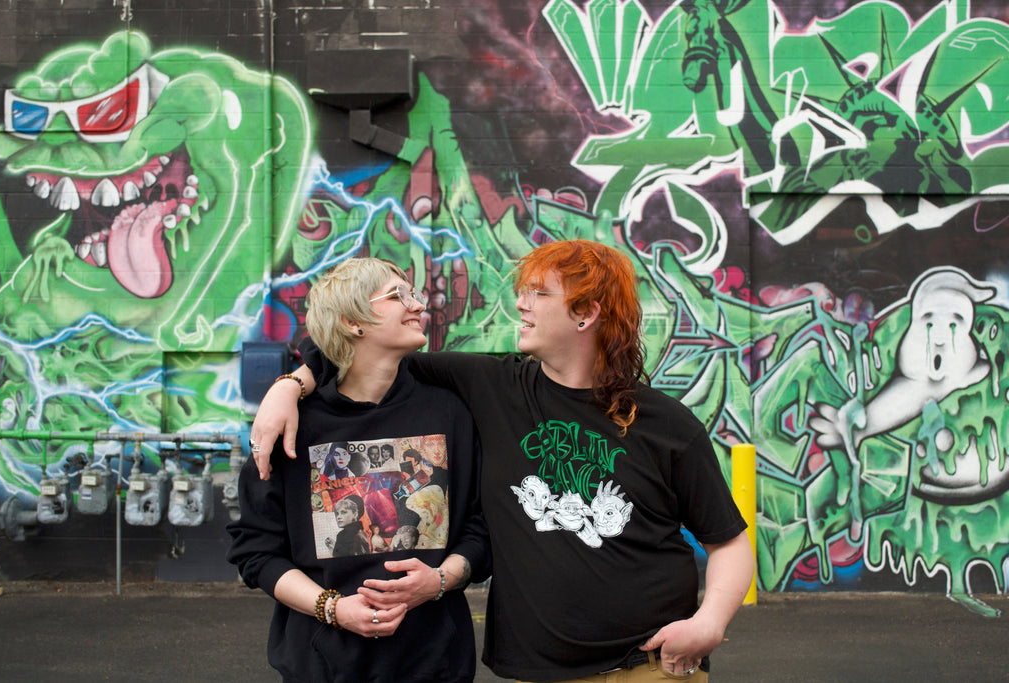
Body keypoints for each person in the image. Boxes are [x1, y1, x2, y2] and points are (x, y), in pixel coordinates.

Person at [250, 239, 754, 682]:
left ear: (585, 313)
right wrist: (288, 386)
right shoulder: (492, 387)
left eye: (538, 293)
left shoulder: (665, 423)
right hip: (537, 671)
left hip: (649, 666)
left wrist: (709, 624)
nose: (520, 304)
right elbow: (358, 356)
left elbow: (728, 541)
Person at [227, 257, 489, 683]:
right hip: (323, 666)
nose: (417, 304)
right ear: (353, 322)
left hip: (434, 663)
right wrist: (332, 608)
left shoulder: (449, 413)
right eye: (396, 296)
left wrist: (439, 581)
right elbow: (256, 551)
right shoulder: (295, 426)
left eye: (414, 293)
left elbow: (480, 528)